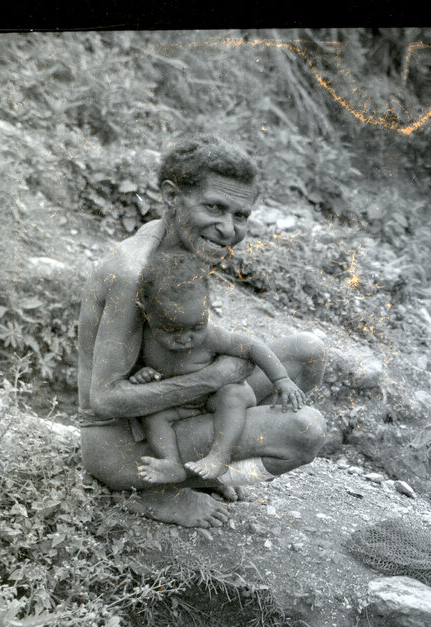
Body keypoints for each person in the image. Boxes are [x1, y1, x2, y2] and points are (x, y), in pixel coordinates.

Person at [77, 135, 327, 528]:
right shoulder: (133, 273)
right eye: (214, 207)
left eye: (240, 216)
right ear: (172, 196)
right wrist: (212, 378)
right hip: (123, 445)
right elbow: (104, 401)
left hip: (172, 417)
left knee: (307, 352)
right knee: (305, 429)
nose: (228, 228)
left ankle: (209, 473)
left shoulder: (178, 243)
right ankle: (156, 492)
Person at [131, 251, 305, 484]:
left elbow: (252, 346)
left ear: (207, 306)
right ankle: (171, 462)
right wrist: (141, 374)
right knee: (153, 417)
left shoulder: (210, 336)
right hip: (178, 406)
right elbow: (137, 368)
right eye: (171, 330)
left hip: (215, 401)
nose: (185, 338)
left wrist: (281, 379)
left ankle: (220, 455)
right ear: (146, 312)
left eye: (197, 326)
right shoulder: (143, 338)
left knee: (234, 392)